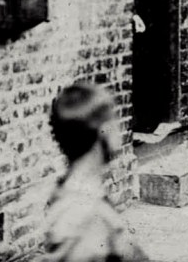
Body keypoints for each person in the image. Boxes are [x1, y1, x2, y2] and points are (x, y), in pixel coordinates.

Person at [45, 82, 148, 262]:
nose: (120, 129)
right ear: (104, 131)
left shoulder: (77, 193)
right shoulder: (83, 214)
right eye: (114, 121)